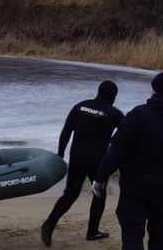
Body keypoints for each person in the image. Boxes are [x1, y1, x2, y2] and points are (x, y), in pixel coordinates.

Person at [92, 72, 163, 250]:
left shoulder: (140, 115)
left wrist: (100, 178)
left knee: (132, 233)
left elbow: (117, 149)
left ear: (154, 90)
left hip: (136, 188)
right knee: (162, 234)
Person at [41, 80, 124, 247]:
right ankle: (92, 231)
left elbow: (66, 131)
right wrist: (112, 142)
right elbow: (127, 134)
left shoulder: (80, 106)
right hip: (98, 162)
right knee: (99, 194)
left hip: (77, 158)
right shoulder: (115, 113)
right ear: (113, 96)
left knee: (70, 194)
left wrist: (60, 154)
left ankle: (50, 223)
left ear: (98, 91)